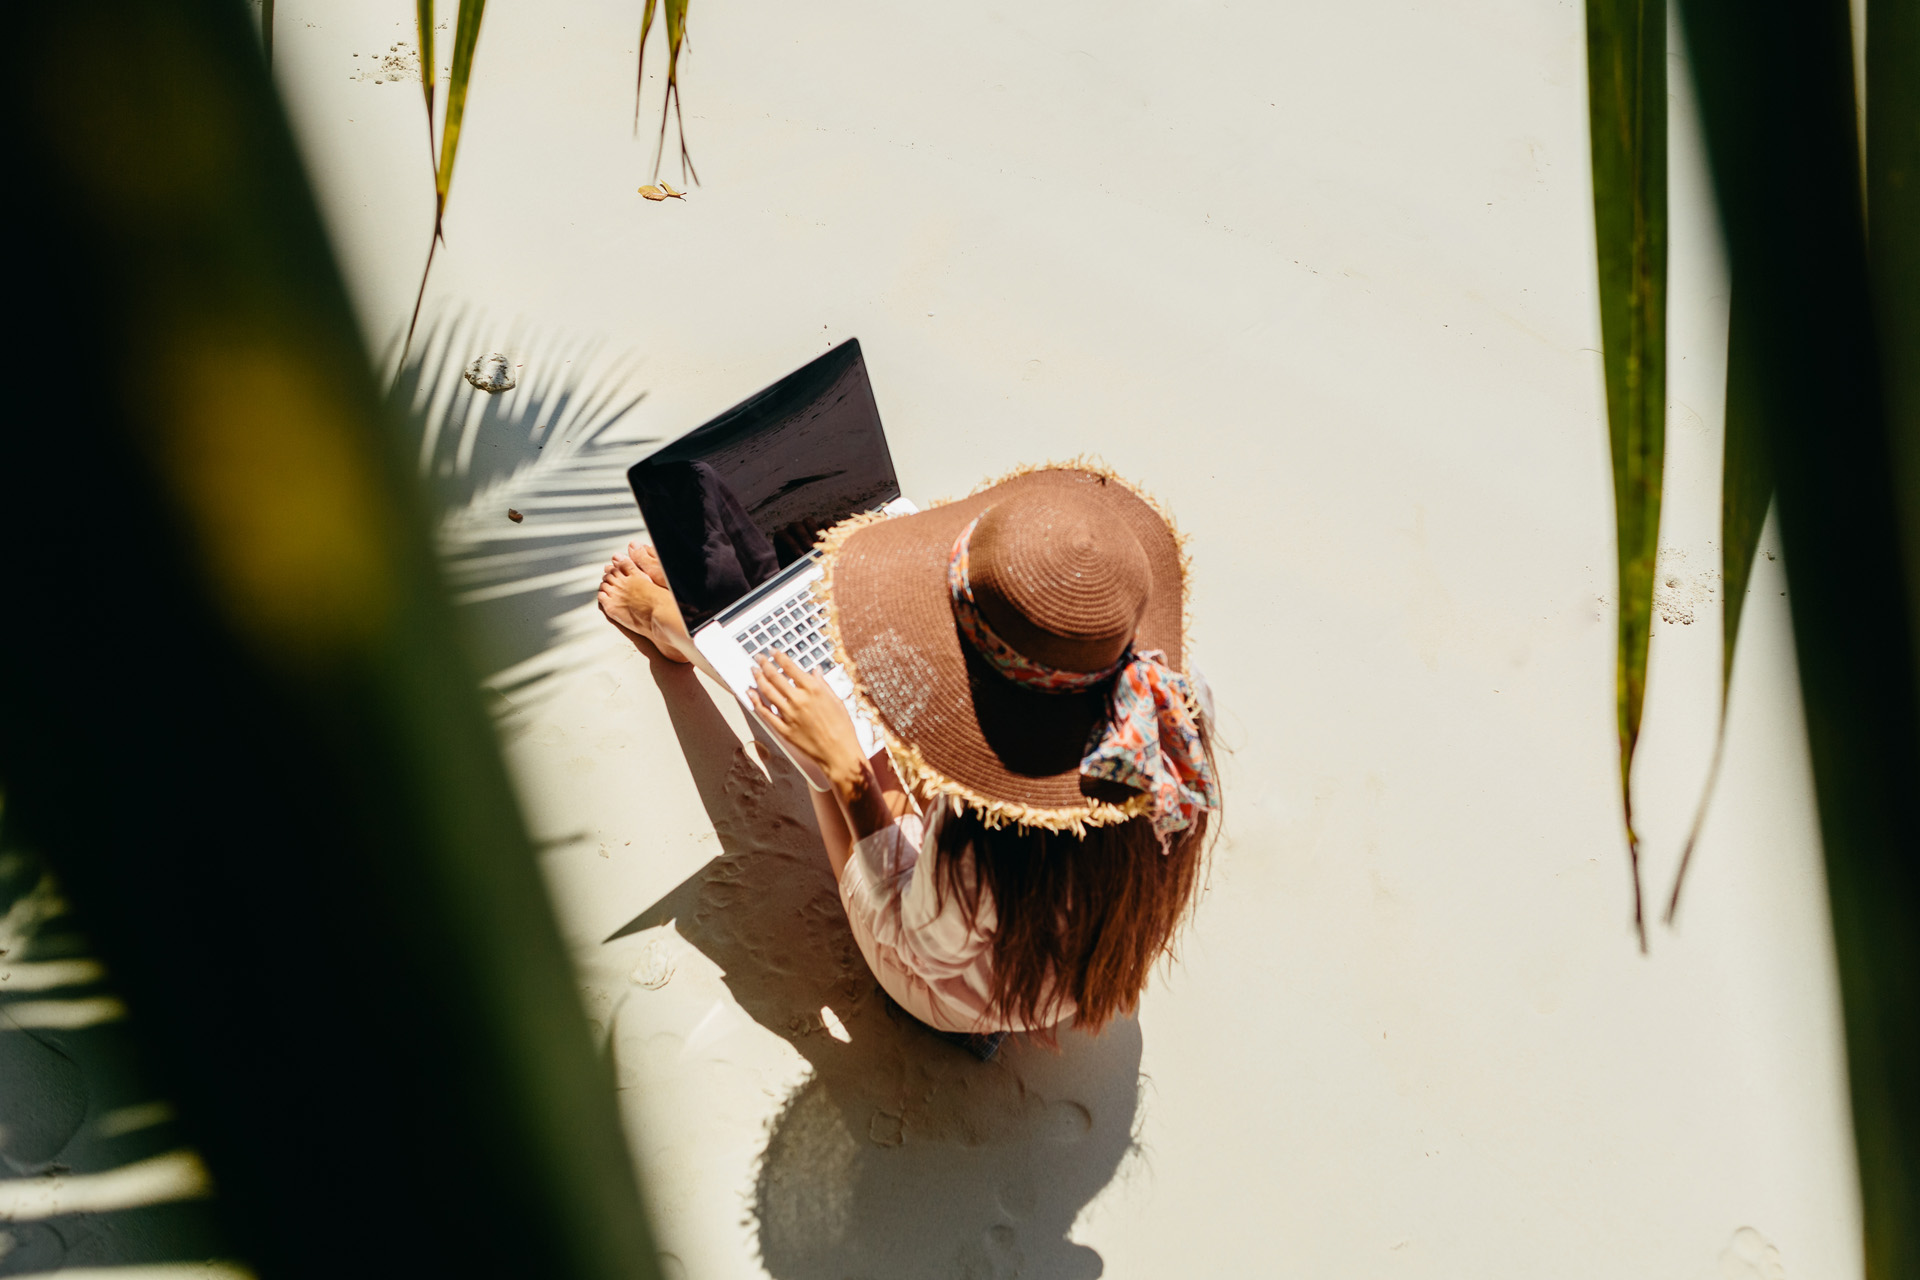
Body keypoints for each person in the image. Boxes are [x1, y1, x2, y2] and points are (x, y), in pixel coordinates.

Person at [599, 465, 1220, 1039]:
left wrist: (847, 775)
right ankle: (725, 617)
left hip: (965, 984)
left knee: (840, 740)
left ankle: (680, 627)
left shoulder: (979, 851)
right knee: (885, 697)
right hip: (1065, 939)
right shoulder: (1166, 708)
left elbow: (921, 940)